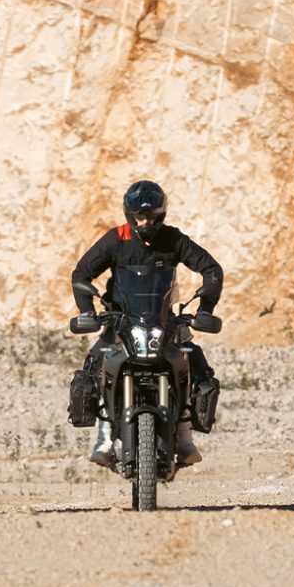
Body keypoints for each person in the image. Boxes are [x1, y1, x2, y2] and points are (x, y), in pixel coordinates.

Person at [68, 180, 222, 468]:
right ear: (130, 214)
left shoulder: (173, 239)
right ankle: (103, 439)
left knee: (195, 362)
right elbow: (82, 273)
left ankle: (186, 438)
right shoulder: (117, 238)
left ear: (161, 214)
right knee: (94, 365)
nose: (145, 221)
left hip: (165, 321)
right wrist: (88, 311)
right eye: (140, 216)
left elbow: (211, 269)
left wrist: (205, 310)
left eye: (151, 216)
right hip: (121, 321)